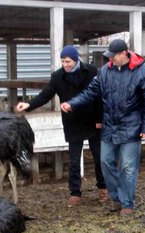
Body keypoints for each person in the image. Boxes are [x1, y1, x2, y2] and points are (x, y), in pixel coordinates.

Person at [60, 39, 145, 216]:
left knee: (128, 166)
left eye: (114, 56)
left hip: (131, 126)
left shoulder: (142, 71)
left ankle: (127, 203)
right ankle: (117, 198)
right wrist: (72, 103)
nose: (111, 59)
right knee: (105, 162)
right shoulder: (106, 71)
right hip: (110, 126)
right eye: (109, 57)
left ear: (123, 54)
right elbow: (91, 92)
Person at [16, 45, 108, 208]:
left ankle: (103, 187)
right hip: (72, 122)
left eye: (68, 61)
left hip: (92, 119)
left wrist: (100, 118)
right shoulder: (58, 77)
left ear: (76, 59)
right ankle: (75, 192)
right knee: (73, 160)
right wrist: (29, 105)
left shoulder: (92, 71)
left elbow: (100, 96)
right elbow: (46, 95)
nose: (65, 64)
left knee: (99, 157)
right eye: (63, 61)